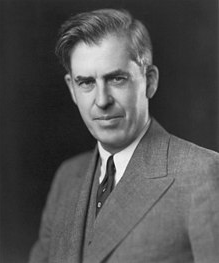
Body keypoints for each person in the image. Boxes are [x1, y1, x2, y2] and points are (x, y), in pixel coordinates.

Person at [29, 8, 219, 263]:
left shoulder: (203, 174)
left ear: (149, 81)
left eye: (116, 79)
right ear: (72, 90)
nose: (102, 100)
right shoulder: (67, 176)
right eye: (86, 82)